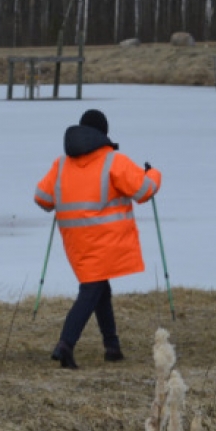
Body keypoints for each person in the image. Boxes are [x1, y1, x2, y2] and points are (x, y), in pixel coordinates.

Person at [33, 109, 161, 369]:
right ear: (103, 133)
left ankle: (112, 347)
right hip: (105, 239)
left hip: (75, 241)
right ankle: (65, 345)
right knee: (91, 290)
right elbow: (144, 191)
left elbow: (42, 199)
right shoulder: (114, 160)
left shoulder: (61, 164)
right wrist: (153, 174)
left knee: (100, 287)